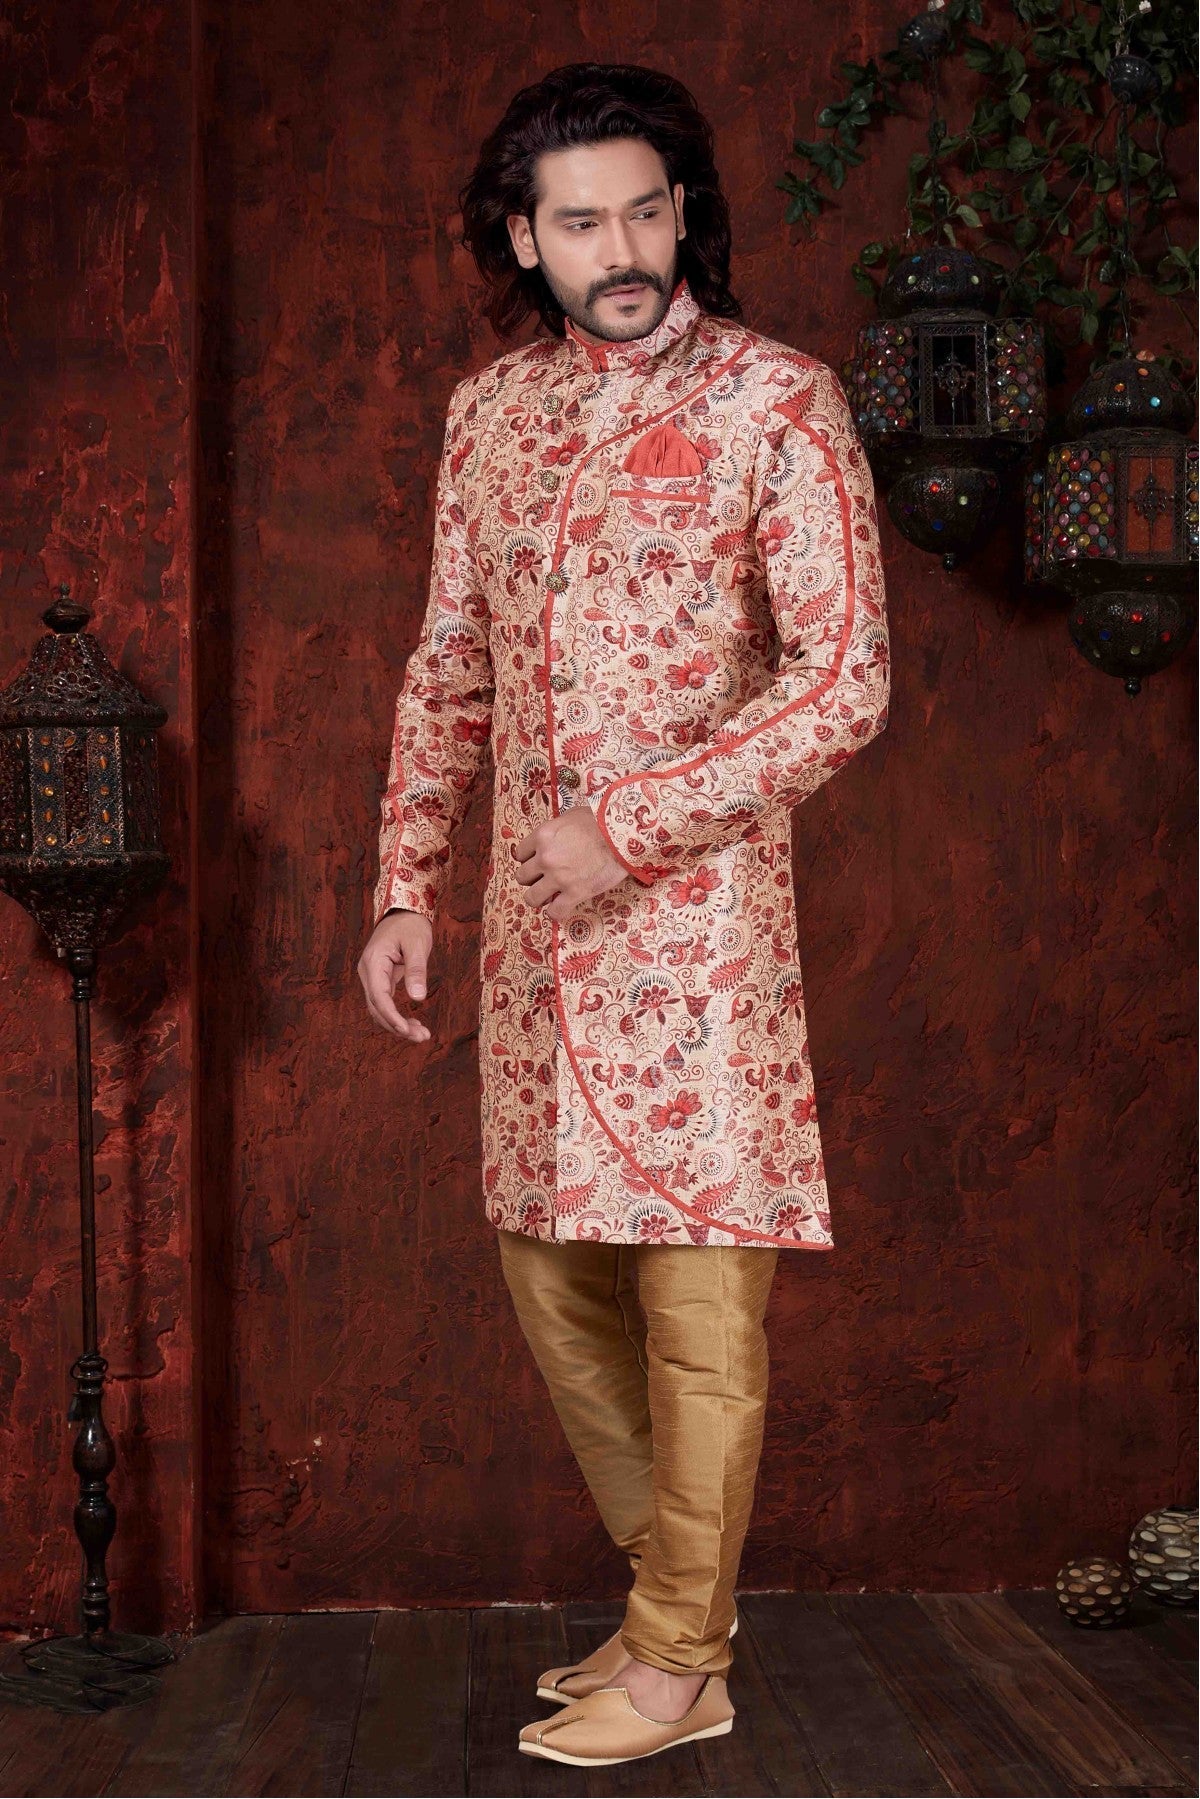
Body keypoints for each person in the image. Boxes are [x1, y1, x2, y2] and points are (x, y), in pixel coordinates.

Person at [357, 60, 890, 1769]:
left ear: (682, 214)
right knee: (551, 1280)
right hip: (534, 942)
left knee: (699, 1311)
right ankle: (677, 1610)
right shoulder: (491, 416)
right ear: (527, 239)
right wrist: (404, 886)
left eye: (646, 212)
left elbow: (845, 680)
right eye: (582, 223)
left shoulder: (778, 401)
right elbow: (449, 665)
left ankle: (680, 1660)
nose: (624, 250)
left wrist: (637, 828)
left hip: (702, 941)